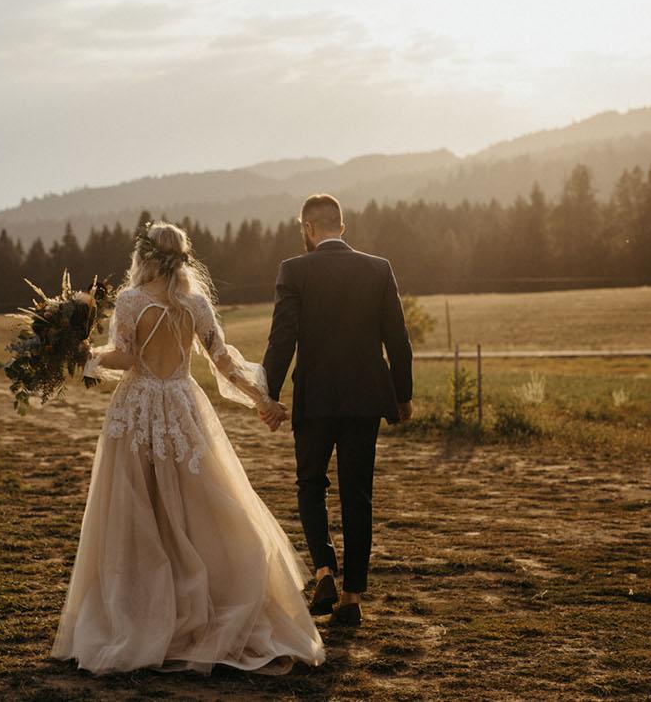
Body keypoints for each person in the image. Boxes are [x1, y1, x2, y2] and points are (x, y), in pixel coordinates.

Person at [50, 221, 325, 675]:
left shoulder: (130, 300)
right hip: (180, 405)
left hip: (137, 410)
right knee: (199, 507)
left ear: (145, 256)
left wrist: (83, 355)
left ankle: (142, 612)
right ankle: (202, 600)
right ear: (182, 256)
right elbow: (224, 361)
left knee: (139, 510)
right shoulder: (195, 304)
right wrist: (264, 401)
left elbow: (125, 356)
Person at [261, 193, 414, 627]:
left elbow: (282, 340)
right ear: (341, 227)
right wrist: (402, 396)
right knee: (357, 494)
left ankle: (325, 569)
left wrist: (269, 395)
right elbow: (398, 341)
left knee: (310, 484)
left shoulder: (294, 270)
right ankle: (351, 598)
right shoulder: (378, 269)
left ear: (308, 229)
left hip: (315, 399)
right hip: (365, 399)